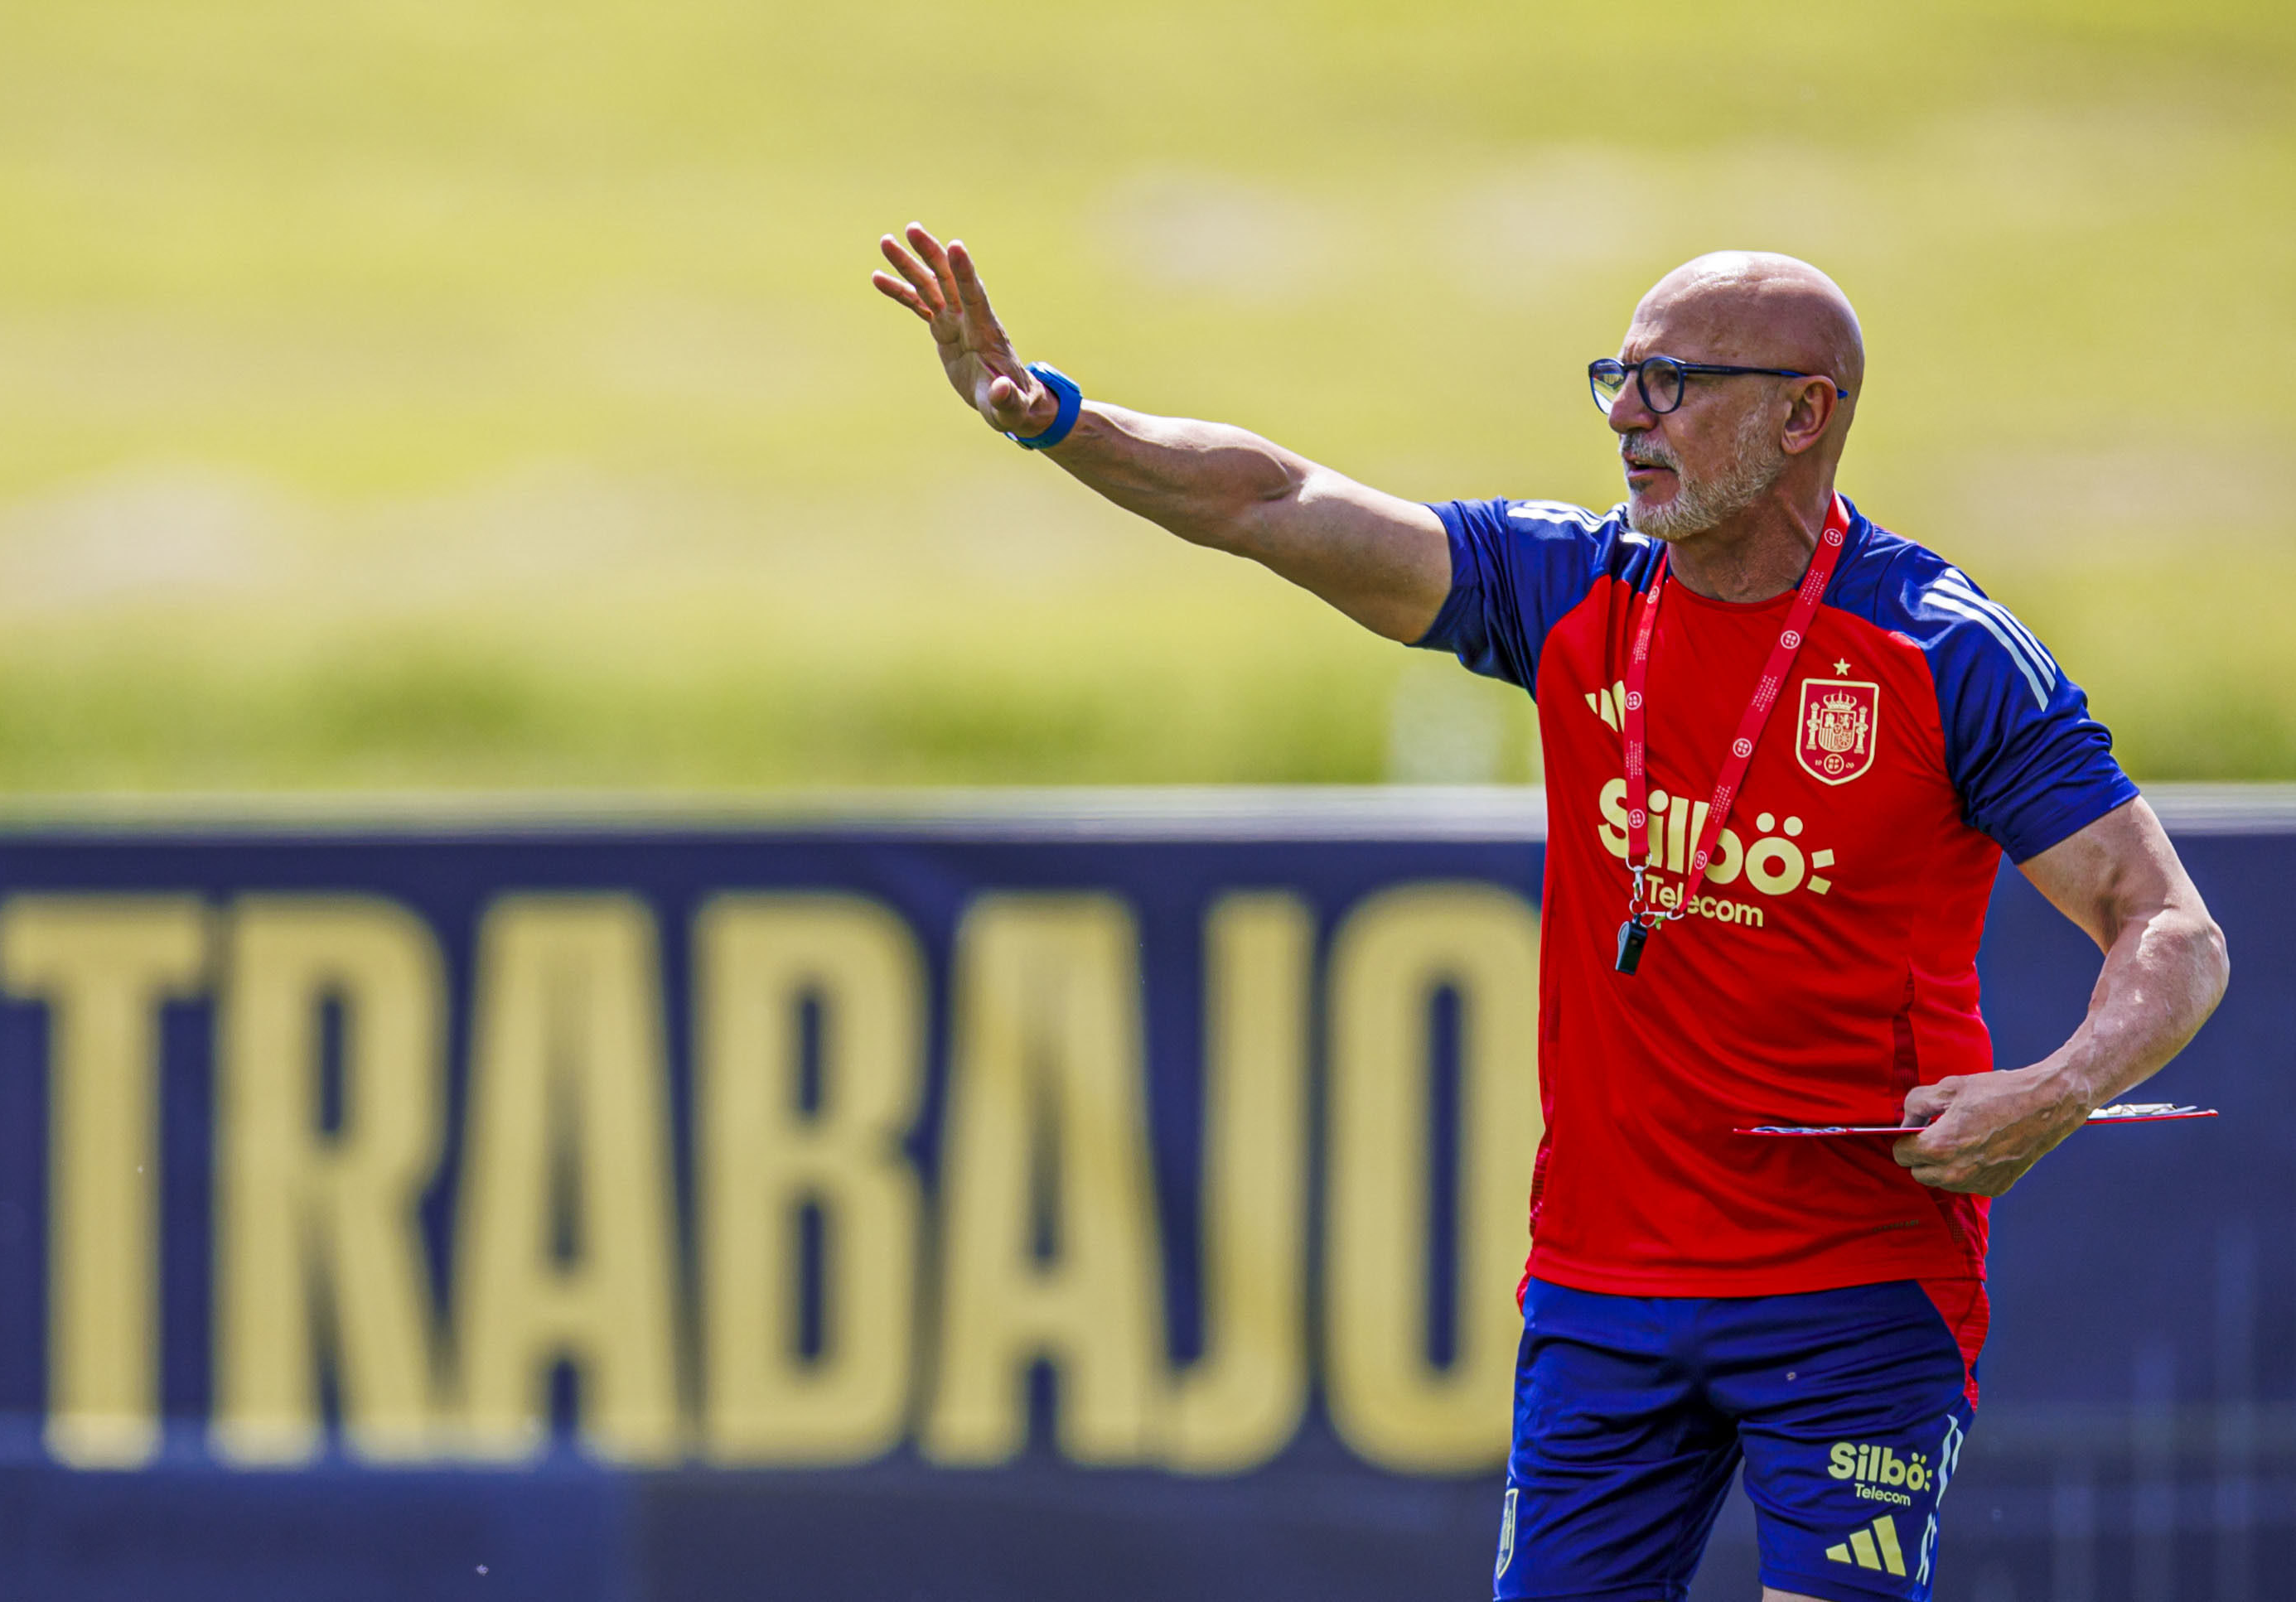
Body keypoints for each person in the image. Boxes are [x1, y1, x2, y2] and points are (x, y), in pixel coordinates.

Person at [870, 225, 2229, 1602]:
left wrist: (2053, 1089)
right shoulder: (1571, 587)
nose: (1627, 419)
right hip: (1603, 1287)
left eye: (1672, 384)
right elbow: (1271, 497)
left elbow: (2169, 930)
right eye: (1617, 379)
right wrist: (1054, 416)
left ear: (1802, 413)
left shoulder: (1941, 653)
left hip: (1853, 1282)